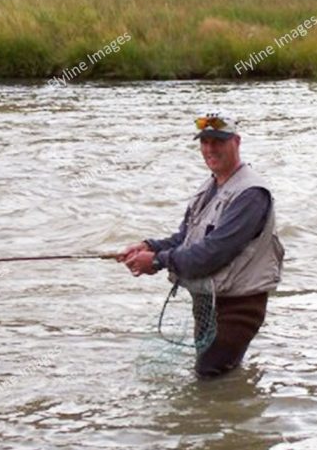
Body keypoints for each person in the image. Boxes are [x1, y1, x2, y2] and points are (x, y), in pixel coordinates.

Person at [117, 112, 284, 378]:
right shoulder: (210, 187)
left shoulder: (251, 194)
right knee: (215, 378)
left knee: (210, 377)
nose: (209, 149)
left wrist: (158, 261)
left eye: (218, 141)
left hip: (237, 308)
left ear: (236, 142)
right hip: (208, 302)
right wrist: (147, 246)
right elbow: (185, 239)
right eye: (205, 142)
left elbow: (211, 254)